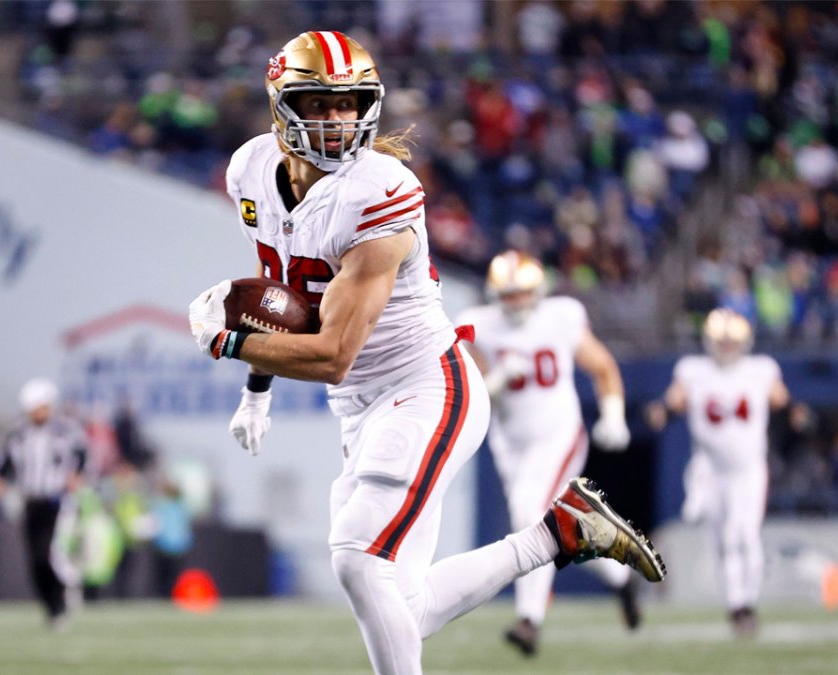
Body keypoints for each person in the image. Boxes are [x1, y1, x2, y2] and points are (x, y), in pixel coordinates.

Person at [185, 31, 665, 674]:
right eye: (318, 104)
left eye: (349, 103)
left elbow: (332, 353)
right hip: (359, 406)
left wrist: (231, 342)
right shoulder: (251, 171)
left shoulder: (379, 191)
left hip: (425, 386)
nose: (337, 119)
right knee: (399, 604)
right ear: (280, 107)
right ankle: (560, 531)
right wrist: (257, 387)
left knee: (356, 556)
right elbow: (283, 291)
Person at [456, 250, 638, 656]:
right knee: (555, 529)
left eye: (522, 293)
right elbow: (472, 393)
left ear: (538, 291)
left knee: (528, 515)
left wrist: (613, 414)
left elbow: (603, 366)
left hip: (558, 433)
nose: (515, 302)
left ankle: (529, 621)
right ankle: (617, 572)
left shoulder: (561, 316)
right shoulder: (479, 324)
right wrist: (500, 379)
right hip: (510, 444)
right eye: (508, 295)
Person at [649, 308, 790, 637]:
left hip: (748, 468)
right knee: (721, 540)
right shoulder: (693, 370)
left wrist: (794, 412)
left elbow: (782, 399)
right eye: (721, 341)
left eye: (732, 341)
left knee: (745, 535)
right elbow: (674, 400)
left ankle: (747, 603)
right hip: (709, 467)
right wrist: (663, 410)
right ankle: (735, 604)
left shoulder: (760, 369)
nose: (727, 347)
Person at [0, 378, 86, 629]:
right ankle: (52, 607)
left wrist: (78, 477)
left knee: (51, 553)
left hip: (57, 501)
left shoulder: (66, 430)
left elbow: (82, 457)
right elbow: (1, 463)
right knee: (35, 558)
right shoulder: (16, 433)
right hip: (30, 501)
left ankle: (64, 594)